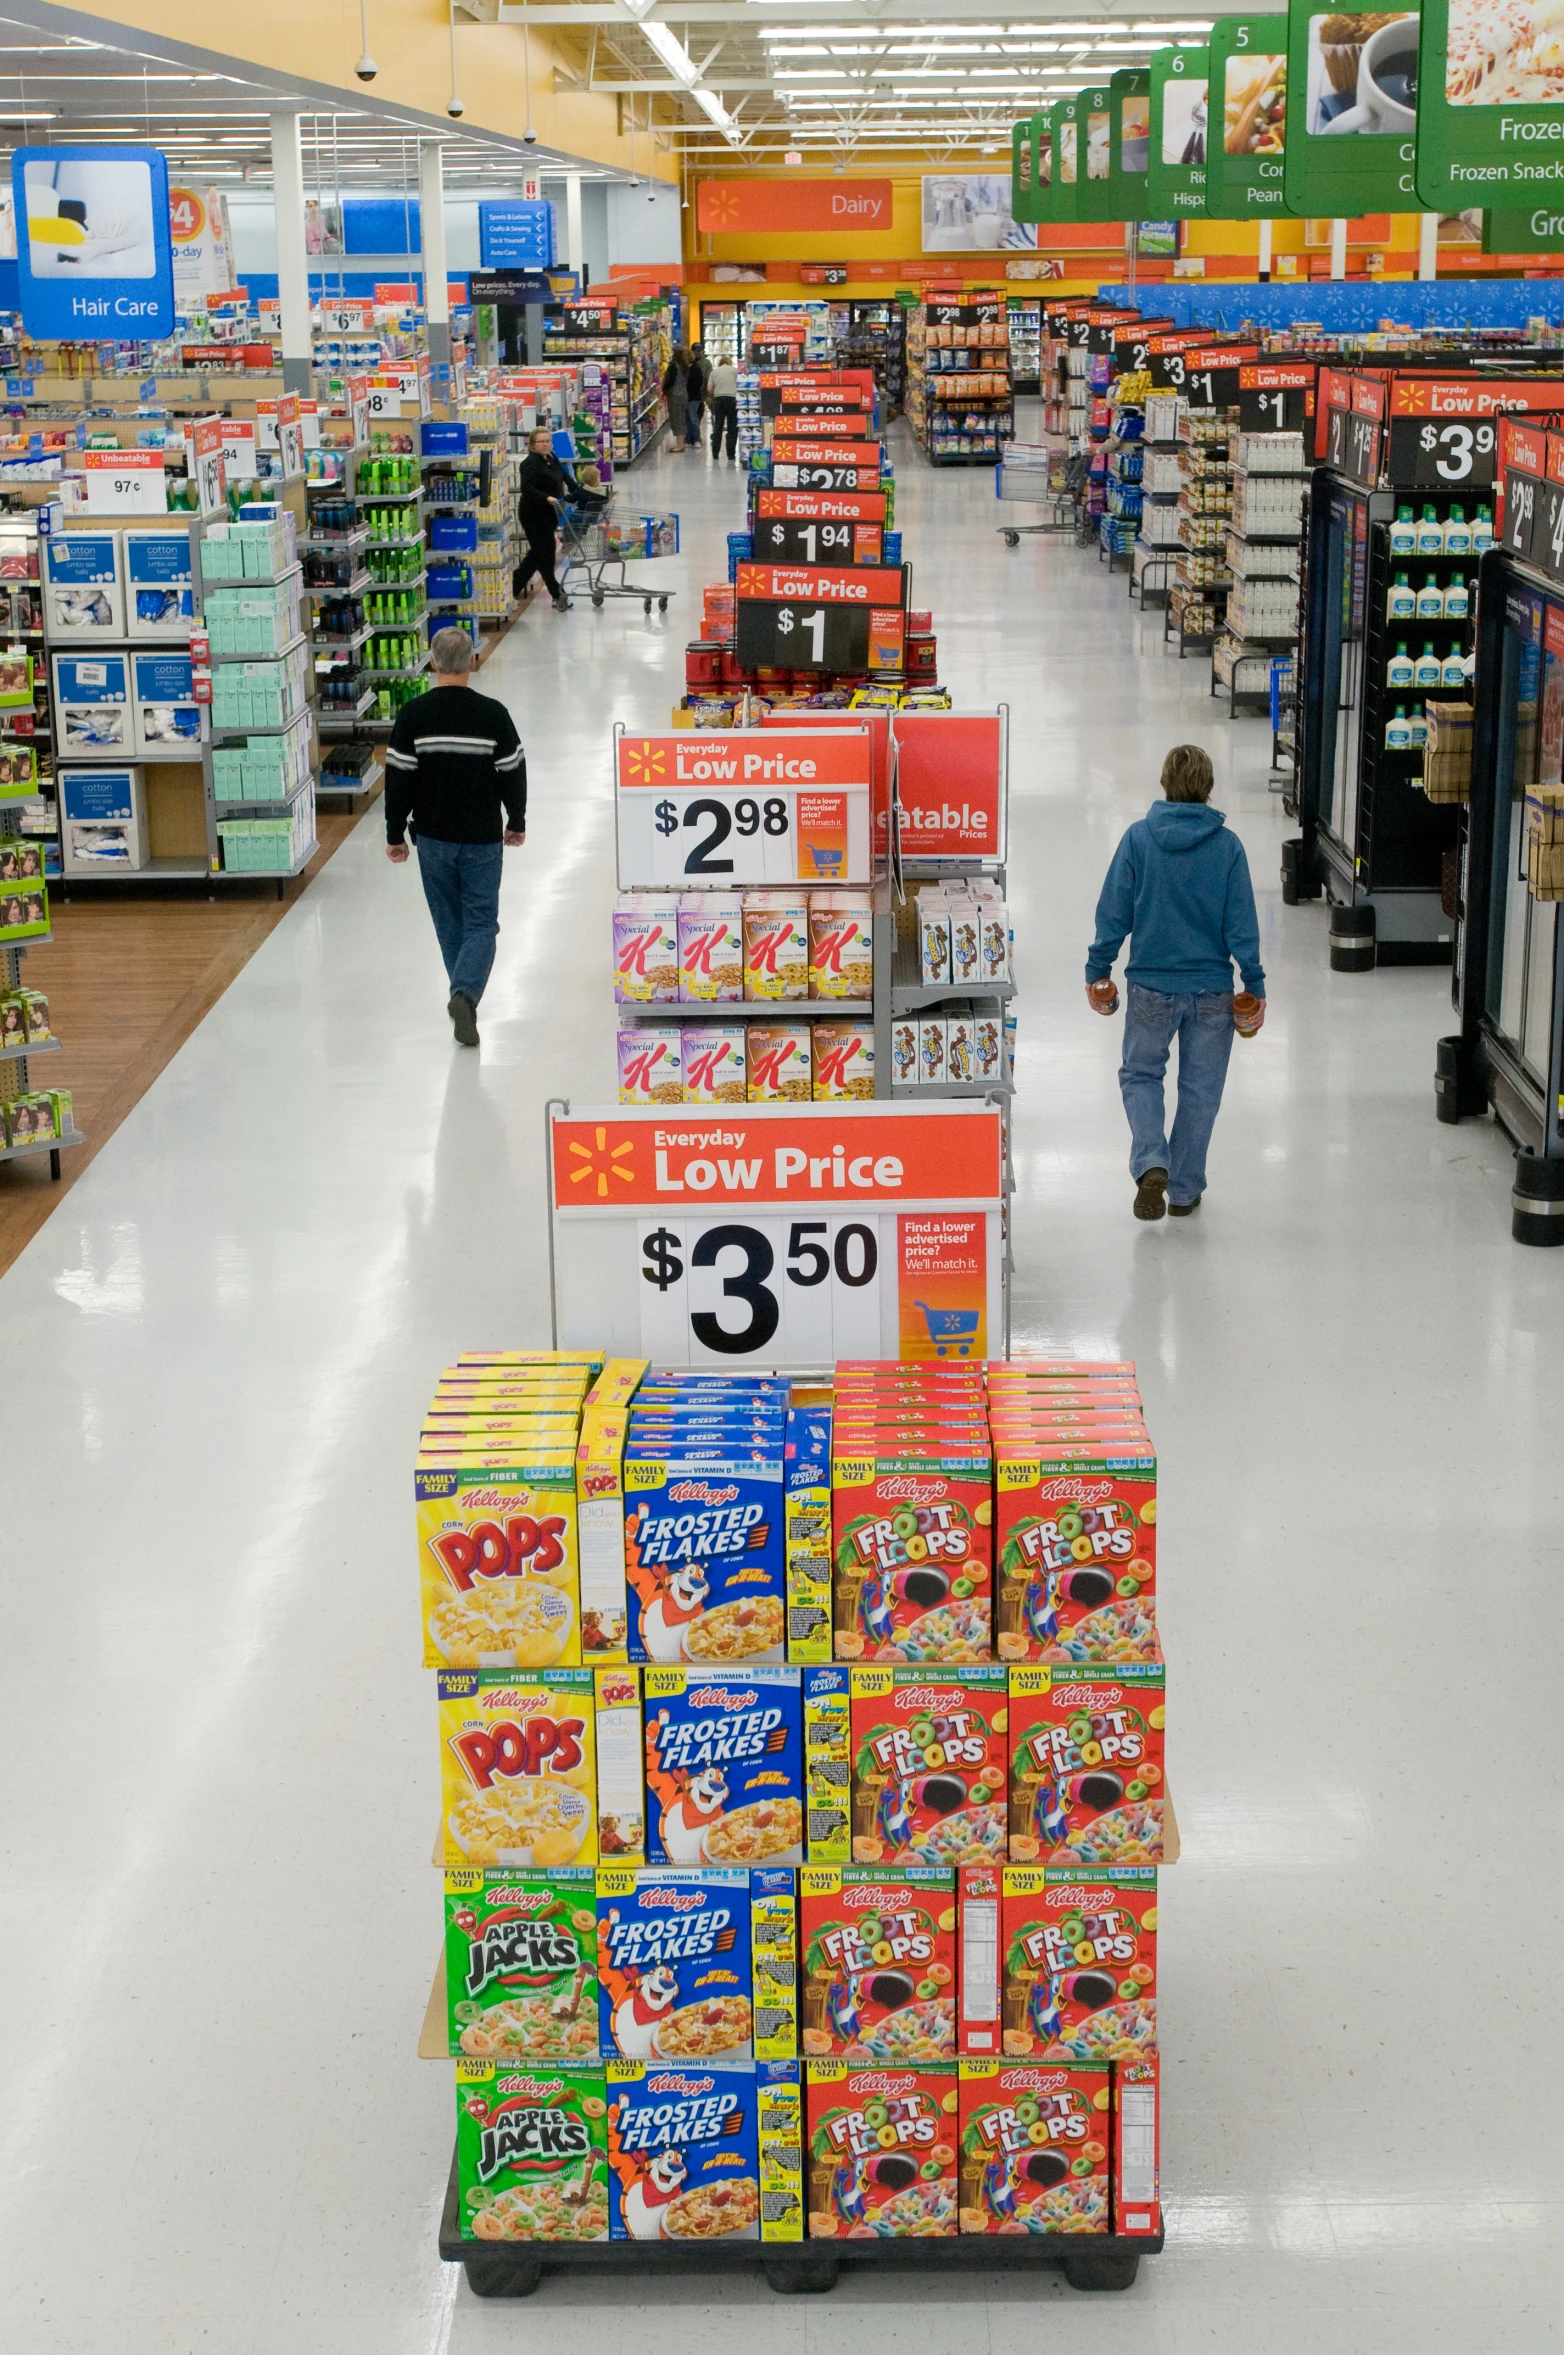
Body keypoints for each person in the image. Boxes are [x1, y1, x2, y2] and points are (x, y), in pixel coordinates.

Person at [1085, 742, 1265, 1222]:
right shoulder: (1228, 846)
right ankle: (1184, 1192)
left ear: (1165, 783)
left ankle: (1152, 1161)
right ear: (1208, 787)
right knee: (1201, 1089)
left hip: (1151, 988)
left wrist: (1097, 970)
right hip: (1212, 990)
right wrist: (1255, 984)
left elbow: (1113, 911)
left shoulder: (1138, 839)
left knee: (1141, 1075)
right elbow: (1242, 925)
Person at [385, 626, 526, 1050]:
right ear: (472, 661)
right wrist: (516, 820)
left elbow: (398, 779)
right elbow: (513, 772)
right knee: (482, 922)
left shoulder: (413, 715)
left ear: (431, 663)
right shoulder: (493, 714)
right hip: (482, 838)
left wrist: (395, 834)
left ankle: (461, 995)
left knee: (449, 922)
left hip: (433, 839)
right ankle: (464, 994)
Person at [512, 426, 576, 612]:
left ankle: (513, 588)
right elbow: (527, 489)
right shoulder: (530, 463)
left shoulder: (552, 458)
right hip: (533, 514)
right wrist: (546, 497)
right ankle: (557, 594)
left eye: (548, 440)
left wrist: (577, 491)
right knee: (545, 555)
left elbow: (564, 476)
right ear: (532, 445)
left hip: (550, 514)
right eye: (541, 441)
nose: (546, 444)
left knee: (536, 554)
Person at [706, 353, 740, 462]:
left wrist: (715, 391)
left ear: (720, 363)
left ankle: (715, 453)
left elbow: (709, 388)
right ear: (729, 363)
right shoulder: (735, 371)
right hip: (732, 400)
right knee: (732, 427)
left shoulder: (714, 372)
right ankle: (731, 454)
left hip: (719, 400)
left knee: (718, 426)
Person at [662, 346, 690, 450]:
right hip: (684, 395)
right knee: (682, 419)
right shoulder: (684, 366)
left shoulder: (673, 366)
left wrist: (664, 390)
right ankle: (681, 443)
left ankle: (680, 445)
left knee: (677, 419)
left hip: (675, 396)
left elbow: (670, 381)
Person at [684, 344, 707, 451]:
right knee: (688, 419)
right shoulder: (688, 368)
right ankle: (689, 439)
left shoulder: (696, 369)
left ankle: (697, 439)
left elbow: (698, 383)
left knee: (693, 419)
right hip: (689, 397)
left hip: (694, 398)